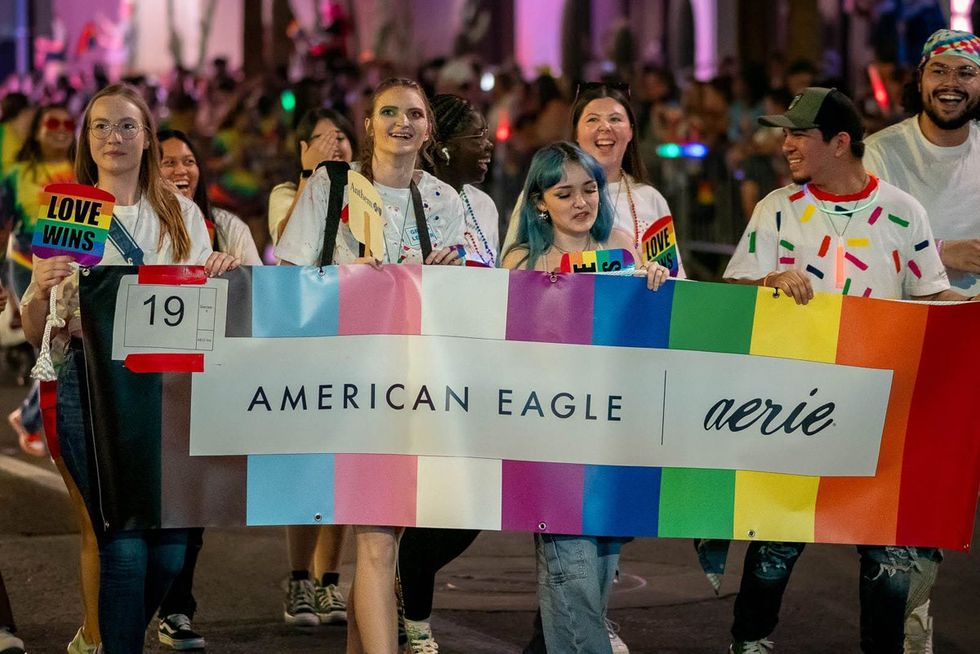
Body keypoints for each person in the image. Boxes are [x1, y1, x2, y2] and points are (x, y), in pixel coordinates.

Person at [723, 87, 967, 654]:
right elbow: (732, 292)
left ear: (838, 143)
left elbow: (930, 296)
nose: (785, 144)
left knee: (886, 549)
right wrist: (767, 281)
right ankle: (749, 643)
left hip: (879, 409)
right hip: (793, 409)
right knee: (775, 540)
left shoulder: (904, 211)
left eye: (798, 134)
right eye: (785, 133)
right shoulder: (776, 208)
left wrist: (967, 309)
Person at [20, 83, 238, 654]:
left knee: (171, 547)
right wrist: (38, 290)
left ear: (147, 139)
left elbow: (204, 311)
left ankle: (112, 638)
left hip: (169, 387)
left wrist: (219, 270)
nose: (112, 137)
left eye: (126, 126)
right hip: (90, 385)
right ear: (86, 140)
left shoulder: (181, 213)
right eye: (100, 126)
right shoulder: (70, 210)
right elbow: (38, 332)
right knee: (121, 540)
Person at [277, 77, 465, 654]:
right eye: (389, 112)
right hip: (347, 383)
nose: (402, 123)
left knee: (381, 544)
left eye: (414, 114)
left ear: (428, 129)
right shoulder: (331, 186)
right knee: (378, 542)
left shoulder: (444, 201)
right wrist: (348, 282)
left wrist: (446, 278)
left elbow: (459, 306)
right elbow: (289, 280)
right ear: (368, 124)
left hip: (413, 386)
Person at [502, 142, 669, 654]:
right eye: (564, 193)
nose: (581, 202)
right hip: (550, 440)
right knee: (572, 573)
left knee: (594, 575)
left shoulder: (622, 246)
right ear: (539, 202)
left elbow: (642, 337)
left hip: (610, 439)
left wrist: (654, 286)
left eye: (589, 189)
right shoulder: (522, 261)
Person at [862, 27, 980, 652]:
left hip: (974, 340)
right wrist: (944, 252)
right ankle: (912, 623)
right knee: (919, 496)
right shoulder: (883, 152)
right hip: (910, 343)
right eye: (941, 72)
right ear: (920, 79)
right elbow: (861, 239)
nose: (952, 85)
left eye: (966, 73)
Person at [393, 93, 496, 654]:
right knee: (427, 501)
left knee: (469, 506)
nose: (488, 145)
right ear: (443, 144)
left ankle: (403, 587)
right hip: (418, 370)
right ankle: (415, 622)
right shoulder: (414, 198)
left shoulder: (484, 205)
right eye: (476, 135)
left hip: (474, 373)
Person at [153, 128, 260, 650]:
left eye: (189, 160)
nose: (181, 170)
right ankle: (112, 619)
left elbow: (261, 292)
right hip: (144, 381)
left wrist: (232, 271)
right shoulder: (133, 222)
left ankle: (176, 610)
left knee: (188, 505)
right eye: (168, 161)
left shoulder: (227, 227)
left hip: (205, 379)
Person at [267, 108, 355, 628]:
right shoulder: (286, 192)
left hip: (353, 339)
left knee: (343, 466)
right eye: (320, 139)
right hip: (305, 340)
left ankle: (329, 581)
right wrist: (311, 175)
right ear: (301, 150)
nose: (333, 145)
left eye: (341, 137)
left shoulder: (366, 195)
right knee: (305, 464)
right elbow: (286, 240)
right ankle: (299, 577)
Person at [504, 82, 686, 281]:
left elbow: (673, 279)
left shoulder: (650, 199)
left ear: (631, 131)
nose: (605, 127)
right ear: (576, 132)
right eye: (592, 119)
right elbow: (510, 279)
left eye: (615, 119)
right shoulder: (539, 197)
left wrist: (654, 275)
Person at [0, 103, 76, 457]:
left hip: (71, 269)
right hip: (25, 266)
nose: (61, 129)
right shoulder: (16, 176)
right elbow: (2, 230)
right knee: (47, 345)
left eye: (68, 123)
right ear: (37, 131)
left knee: (63, 347)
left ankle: (30, 416)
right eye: (52, 123)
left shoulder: (85, 170)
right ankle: (33, 418)